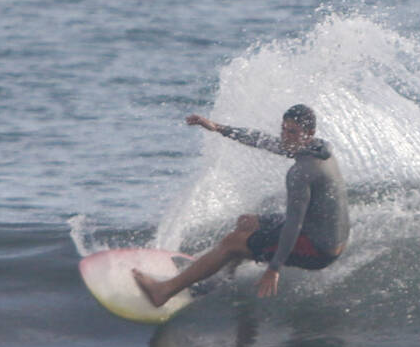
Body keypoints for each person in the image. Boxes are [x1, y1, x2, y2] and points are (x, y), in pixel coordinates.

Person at [133, 104, 349, 307]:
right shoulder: (318, 149)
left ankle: (164, 291)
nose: (285, 136)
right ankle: (217, 278)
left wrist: (274, 268)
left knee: (232, 242)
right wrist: (218, 128)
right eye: (284, 129)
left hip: (319, 249)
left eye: (292, 132)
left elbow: (294, 224)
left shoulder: (301, 172)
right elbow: (263, 141)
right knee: (247, 223)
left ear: (308, 133)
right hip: (322, 231)